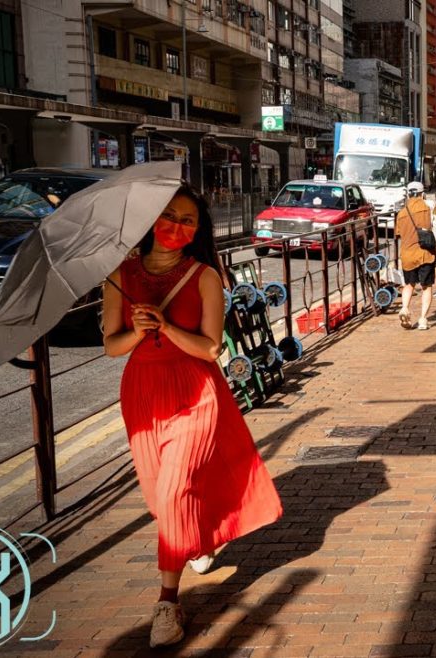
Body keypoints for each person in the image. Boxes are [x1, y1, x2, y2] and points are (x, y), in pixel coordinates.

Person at [101, 186, 283, 648]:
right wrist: (139, 332)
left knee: (175, 488)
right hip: (143, 395)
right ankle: (196, 538)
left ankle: (167, 601)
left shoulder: (203, 276)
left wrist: (166, 327)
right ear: (150, 220)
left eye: (187, 221)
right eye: (168, 216)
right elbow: (111, 346)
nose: (176, 227)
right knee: (161, 498)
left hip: (196, 394)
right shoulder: (118, 276)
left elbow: (211, 348)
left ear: (197, 231)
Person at [395, 180, 436, 330]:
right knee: (427, 286)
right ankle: (423, 319)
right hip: (425, 253)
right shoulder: (427, 208)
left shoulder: (401, 213)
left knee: (409, 284)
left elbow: (398, 233)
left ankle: (405, 308)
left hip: (407, 255)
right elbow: (433, 225)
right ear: (422, 194)